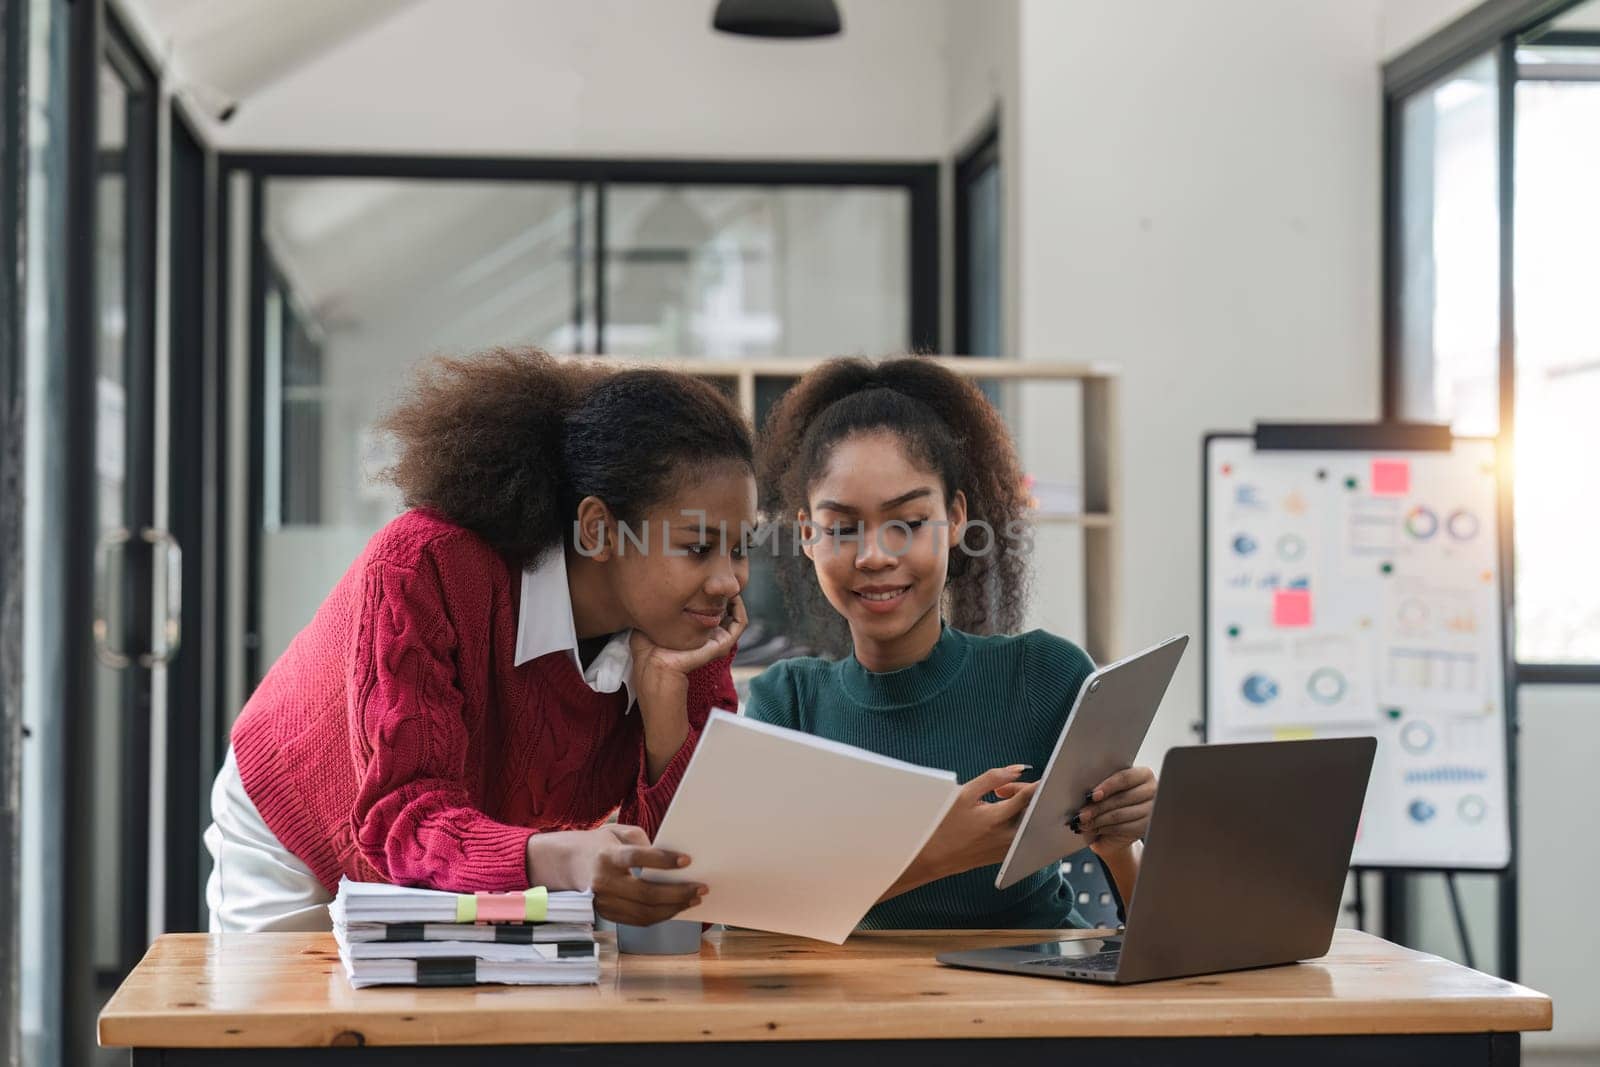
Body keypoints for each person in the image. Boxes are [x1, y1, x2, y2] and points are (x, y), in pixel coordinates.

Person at [204, 349, 755, 932]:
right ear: (598, 530)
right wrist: (562, 858)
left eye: (742, 548)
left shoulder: (690, 626)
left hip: (474, 857)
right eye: (697, 547)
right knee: (283, 1016)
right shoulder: (425, 566)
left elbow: (678, 893)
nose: (728, 580)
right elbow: (403, 818)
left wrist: (665, 710)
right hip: (302, 827)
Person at [746, 356, 1157, 929]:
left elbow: (1155, 934)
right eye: (842, 528)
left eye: (908, 522)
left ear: (956, 518)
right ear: (807, 536)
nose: (874, 556)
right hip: (852, 1015)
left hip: (1034, 1007)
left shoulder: (1045, 676)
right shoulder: (785, 706)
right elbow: (751, 921)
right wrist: (939, 853)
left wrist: (1116, 839)